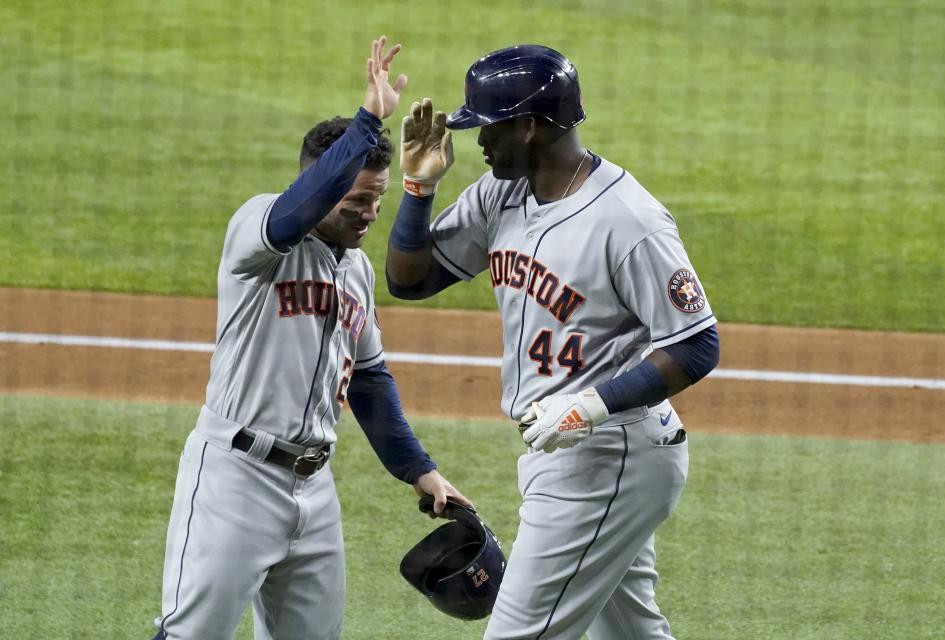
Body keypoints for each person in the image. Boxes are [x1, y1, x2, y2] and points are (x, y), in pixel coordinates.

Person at [386, 44, 719, 639]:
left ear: (529, 125)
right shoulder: (501, 194)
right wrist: (416, 188)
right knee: (628, 634)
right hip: (566, 454)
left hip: (611, 453)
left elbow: (696, 344)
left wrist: (586, 407)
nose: (478, 142)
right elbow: (409, 280)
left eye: (489, 127)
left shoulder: (628, 220)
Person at [152, 36, 471, 640]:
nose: (368, 215)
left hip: (314, 486)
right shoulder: (260, 227)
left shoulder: (355, 270)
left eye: (376, 200)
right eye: (355, 201)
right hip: (235, 476)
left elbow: (371, 381)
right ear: (322, 185)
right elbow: (299, 211)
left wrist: (418, 470)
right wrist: (369, 119)